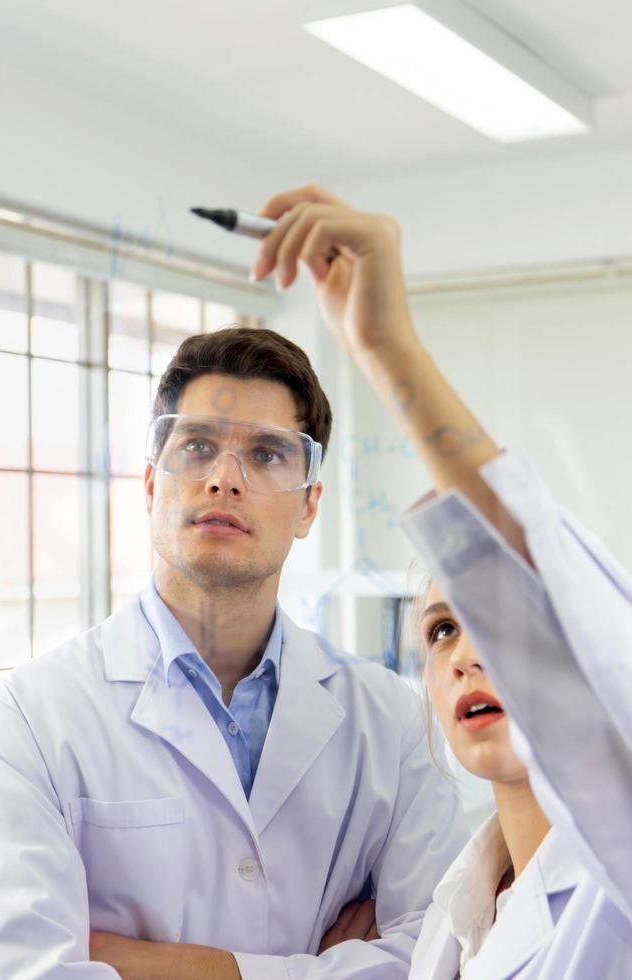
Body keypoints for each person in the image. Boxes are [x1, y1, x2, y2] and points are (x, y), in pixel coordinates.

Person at [0, 320, 468, 977]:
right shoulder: (26, 718)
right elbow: (32, 968)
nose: (224, 479)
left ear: (308, 507)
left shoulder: (393, 723)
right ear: (152, 484)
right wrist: (317, 966)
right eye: (198, 446)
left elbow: (440, 955)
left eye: (267, 454)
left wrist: (165, 964)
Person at [245, 185, 632, 978]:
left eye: (486, 621)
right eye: (440, 630)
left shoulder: (611, 879)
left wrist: (389, 349)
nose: (464, 654)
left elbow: (546, 604)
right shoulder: (457, 914)